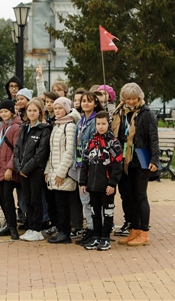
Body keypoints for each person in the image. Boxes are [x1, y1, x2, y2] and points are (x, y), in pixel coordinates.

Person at [111, 83, 159, 246]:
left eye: (134, 98)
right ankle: (134, 229)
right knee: (127, 196)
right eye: (128, 99)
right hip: (123, 161)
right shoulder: (119, 112)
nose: (131, 102)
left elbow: (153, 137)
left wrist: (154, 160)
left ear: (140, 97)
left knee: (140, 196)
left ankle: (144, 233)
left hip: (140, 159)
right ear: (123, 99)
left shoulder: (146, 113)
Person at [80, 111, 123, 251]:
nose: (100, 126)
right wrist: (83, 182)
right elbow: (84, 163)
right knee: (95, 212)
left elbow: (118, 166)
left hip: (107, 186)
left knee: (108, 212)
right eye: (98, 124)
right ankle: (96, 237)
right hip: (92, 185)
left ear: (108, 124)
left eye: (103, 123)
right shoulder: (91, 142)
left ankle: (105, 238)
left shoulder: (114, 143)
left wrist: (112, 183)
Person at [13, 99, 51, 242]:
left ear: (40, 112)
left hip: (35, 170)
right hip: (23, 171)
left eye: (35, 110)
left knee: (36, 200)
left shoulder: (44, 129)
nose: (32, 113)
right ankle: (30, 227)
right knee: (27, 200)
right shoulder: (24, 127)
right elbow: (17, 149)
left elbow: (40, 153)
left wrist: (26, 168)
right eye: (29, 110)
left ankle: (37, 229)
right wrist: (18, 167)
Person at [44, 97, 80, 244]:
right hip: (53, 171)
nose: (57, 111)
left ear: (66, 109)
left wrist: (61, 173)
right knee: (58, 204)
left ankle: (65, 233)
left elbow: (69, 152)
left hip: (62, 173)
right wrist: (48, 170)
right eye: (55, 108)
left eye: (60, 108)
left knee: (63, 204)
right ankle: (61, 231)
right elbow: (52, 152)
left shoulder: (69, 126)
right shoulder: (57, 125)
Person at [71, 91, 104, 246]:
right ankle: (90, 228)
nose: (85, 103)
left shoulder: (96, 121)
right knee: (84, 199)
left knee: (92, 200)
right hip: (79, 165)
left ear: (95, 103)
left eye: (89, 101)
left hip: (92, 166)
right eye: (83, 101)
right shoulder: (81, 121)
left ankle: (96, 229)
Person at [0, 99, 22, 240]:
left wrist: (10, 168)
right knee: (1, 196)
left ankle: (13, 228)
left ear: (12, 111)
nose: (3, 114)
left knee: (8, 197)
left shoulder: (16, 127)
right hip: (0, 168)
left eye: (6, 111)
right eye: (1, 111)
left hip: (10, 168)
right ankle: (9, 224)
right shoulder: (1, 127)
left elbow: (17, 150)